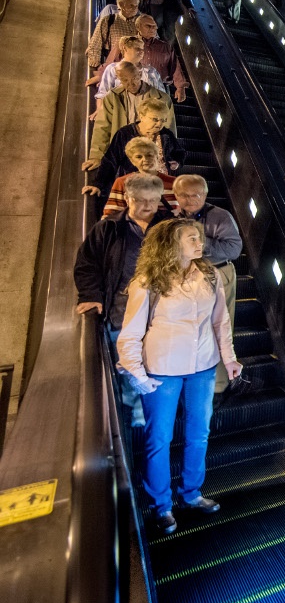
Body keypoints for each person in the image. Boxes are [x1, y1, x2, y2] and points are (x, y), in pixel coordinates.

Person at [116, 218, 242, 534]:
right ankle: (162, 506)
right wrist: (138, 375)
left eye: (198, 237)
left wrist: (229, 359)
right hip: (162, 369)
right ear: (171, 244)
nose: (199, 243)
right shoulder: (147, 281)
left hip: (203, 366)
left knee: (199, 432)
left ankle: (191, 494)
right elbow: (129, 334)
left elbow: (220, 323)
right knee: (159, 439)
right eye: (191, 238)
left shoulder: (209, 275)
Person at [75, 174, 176, 425]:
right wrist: (90, 295)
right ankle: (134, 418)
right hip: (122, 307)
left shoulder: (171, 227)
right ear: (127, 199)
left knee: (161, 356)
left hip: (162, 307)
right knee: (129, 361)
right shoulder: (108, 228)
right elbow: (87, 264)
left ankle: (164, 412)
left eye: (154, 200)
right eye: (141, 200)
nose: (148, 206)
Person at [174, 173, 243, 388]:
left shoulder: (220, 216)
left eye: (196, 195)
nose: (191, 200)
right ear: (176, 195)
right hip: (186, 277)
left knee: (220, 327)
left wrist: (199, 243)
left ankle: (219, 383)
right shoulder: (173, 217)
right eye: (184, 195)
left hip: (217, 273)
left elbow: (234, 249)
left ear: (205, 194)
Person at [85, 97, 184, 202]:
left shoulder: (166, 134)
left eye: (163, 120)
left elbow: (180, 152)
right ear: (141, 116)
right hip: (134, 190)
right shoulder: (125, 134)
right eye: (155, 119)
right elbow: (110, 160)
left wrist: (177, 162)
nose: (159, 124)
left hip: (161, 189)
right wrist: (98, 184)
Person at [99, 14, 188, 102]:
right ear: (138, 27)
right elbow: (110, 64)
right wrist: (100, 79)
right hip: (131, 86)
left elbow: (175, 68)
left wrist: (180, 87)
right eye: (148, 26)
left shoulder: (166, 47)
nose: (153, 29)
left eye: (154, 27)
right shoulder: (127, 44)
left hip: (158, 88)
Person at [103, 137, 179, 217]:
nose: (145, 159)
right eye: (139, 157)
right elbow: (111, 214)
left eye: (149, 155)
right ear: (132, 161)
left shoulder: (174, 182)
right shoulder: (122, 182)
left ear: (157, 157)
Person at [90, 36, 166, 117]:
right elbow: (103, 94)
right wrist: (100, 111)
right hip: (121, 115)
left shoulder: (151, 71)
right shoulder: (113, 69)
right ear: (125, 49)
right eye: (137, 49)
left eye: (142, 49)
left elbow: (162, 95)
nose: (141, 52)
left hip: (147, 116)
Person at [86, 0, 141, 71]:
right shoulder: (109, 19)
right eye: (131, 4)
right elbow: (96, 43)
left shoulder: (142, 21)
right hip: (116, 66)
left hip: (137, 67)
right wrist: (95, 61)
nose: (135, 7)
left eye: (136, 4)